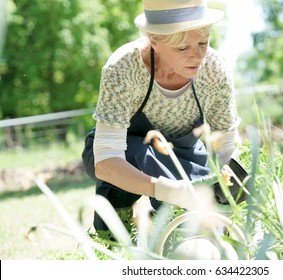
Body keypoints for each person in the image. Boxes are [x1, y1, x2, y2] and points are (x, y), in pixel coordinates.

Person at [82, 0, 241, 231]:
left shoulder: (214, 70)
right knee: (137, 155)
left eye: (203, 43)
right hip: (121, 157)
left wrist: (235, 192)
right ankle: (118, 230)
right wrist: (167, 190)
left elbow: (226, 148)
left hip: (185, 159)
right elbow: (107, 160)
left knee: (207, 219)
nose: (197, 56)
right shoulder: (123, 68)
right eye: (183, 48)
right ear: (153, 40)